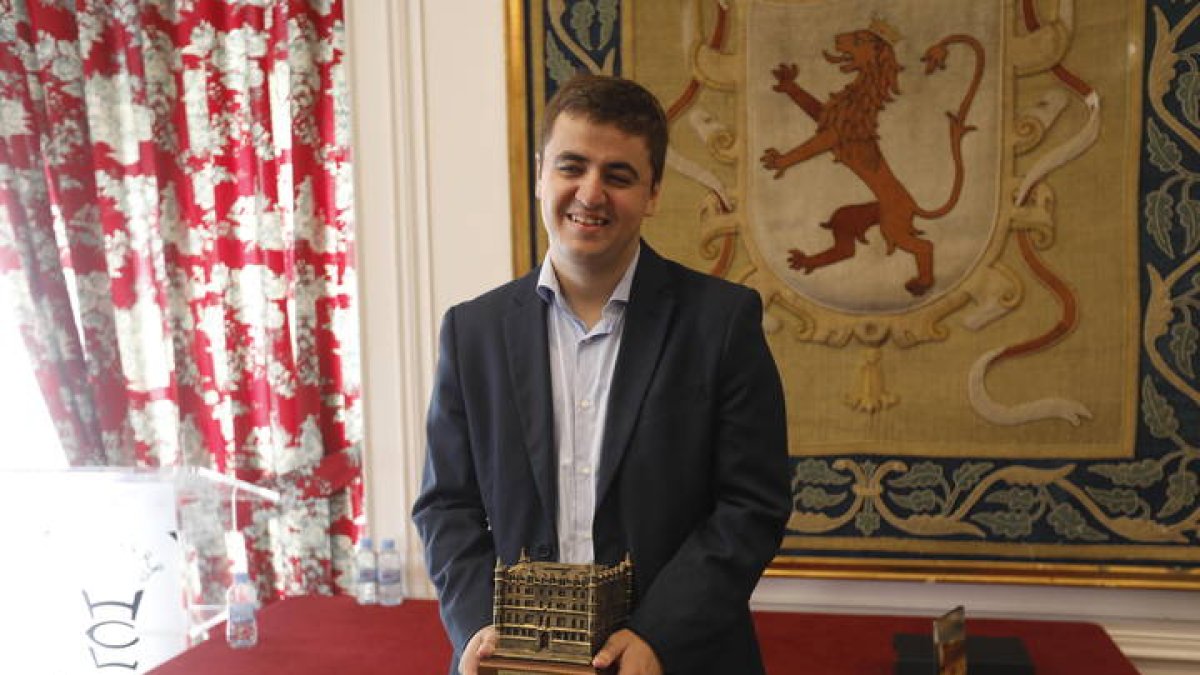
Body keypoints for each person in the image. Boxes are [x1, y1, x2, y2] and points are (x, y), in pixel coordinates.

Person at [412, 73, 790, 675]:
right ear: (541, 174)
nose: (591, 193)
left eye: (618, 175)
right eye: (572, 167)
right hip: (515, 661)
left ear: (653, 192)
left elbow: (752, 505)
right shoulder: (471, 331)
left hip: (679, 659)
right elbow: (445, 505)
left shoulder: (721, 323)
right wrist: (478, 624)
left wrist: (659, 637)